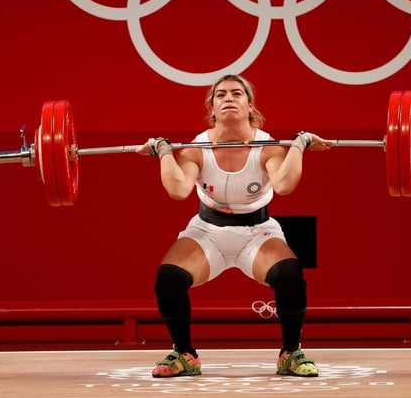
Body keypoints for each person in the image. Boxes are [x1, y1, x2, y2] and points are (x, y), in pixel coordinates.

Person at [136, 73, 333, 378]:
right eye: (221, 95)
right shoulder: (195, 149)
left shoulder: (268, 147)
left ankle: (290, 353)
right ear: (212, 108)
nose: (228, 98)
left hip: (257, 232)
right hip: (207, 232)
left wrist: (299, 143)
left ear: (250, 105)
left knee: (290, 274)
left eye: (236, 93)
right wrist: (163, 150)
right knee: (169, 278)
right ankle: (185, 354)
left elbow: (284, 185)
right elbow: (177, 190)